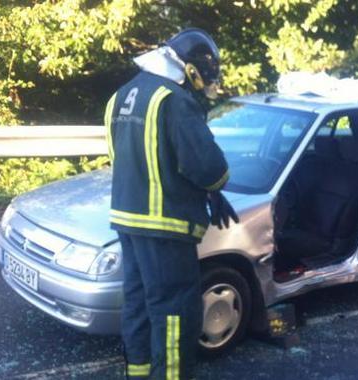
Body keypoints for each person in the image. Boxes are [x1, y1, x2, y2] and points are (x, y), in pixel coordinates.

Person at [104, 28, 239, 379]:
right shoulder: (175, 100)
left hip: (126, 218)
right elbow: (208, 165)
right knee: (177, 310)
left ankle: (139, 372)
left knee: (139, 303)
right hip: (167, 226)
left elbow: (124, 157)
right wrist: (217, 187)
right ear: (191, 68)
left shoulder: (123, 94)